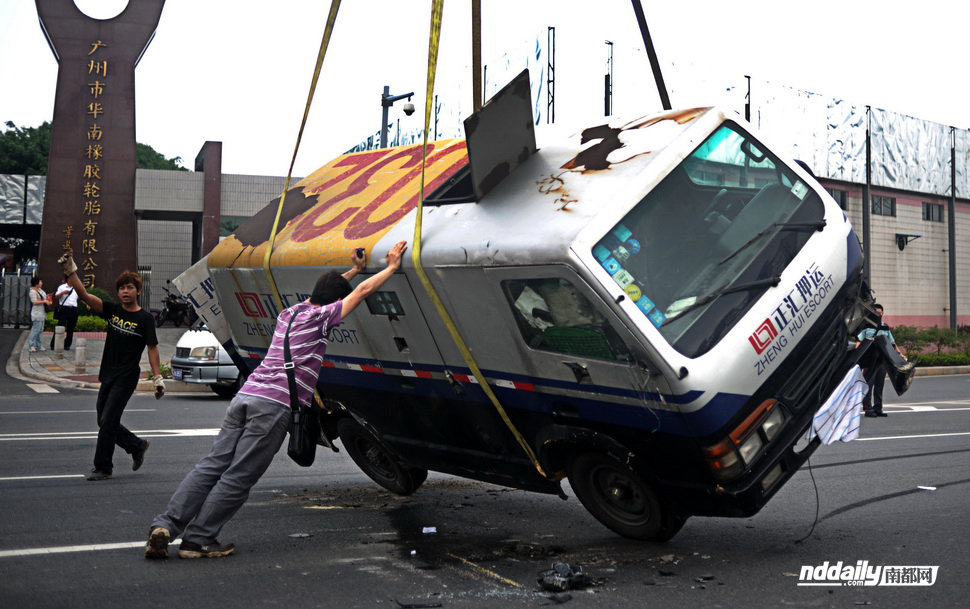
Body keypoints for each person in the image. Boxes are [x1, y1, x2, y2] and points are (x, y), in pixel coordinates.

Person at [144, 241, 407, 560]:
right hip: (273, 405)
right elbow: (360, 293)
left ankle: (166, 526)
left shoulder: (290, 314)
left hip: (246, 395)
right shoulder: (323, 318)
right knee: (239, 476)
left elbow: (333, 290)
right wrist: (391, 267)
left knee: (212, 465)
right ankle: (198, 540)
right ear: (334, 301)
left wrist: (351, 270)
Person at [57, 254, 165, 481]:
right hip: (108, 373)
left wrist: (157, 378)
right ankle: (136, 445)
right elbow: (84, 294)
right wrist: (71, 270)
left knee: (107, 422)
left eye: (130, 287)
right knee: (103, 420)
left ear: (138, 291)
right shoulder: (113, 311)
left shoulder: (145, 319)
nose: (125, 291)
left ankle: (103, 467)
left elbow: (152, 347)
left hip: (126, 378)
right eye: (122, 288)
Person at [856, 303, 907, 418]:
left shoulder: (885, 327)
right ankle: (868, 409)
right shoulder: (866, 326)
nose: (878, 315)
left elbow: (892, 343)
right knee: (868, 384)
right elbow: (859, 342)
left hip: (882, 360)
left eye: (879, 313)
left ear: (883, 313)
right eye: (875, 313)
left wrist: (900, 355)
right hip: (869, 360)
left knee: (880, 384)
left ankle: (878, 408)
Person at [50, 276, 79, 350]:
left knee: (71, 328)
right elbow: (56, 297)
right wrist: (62, 293)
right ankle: (54, 344)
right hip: (64, 309)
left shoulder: (76, 288)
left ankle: (67, 345)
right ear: (68, 279)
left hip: (73, 310)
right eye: (72, 279)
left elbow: (81, 297)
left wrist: (87, 303)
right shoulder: (62, 287)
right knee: (60, 327)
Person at [27, 277, 51, 352]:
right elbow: (34, 302)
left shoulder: (40, 290)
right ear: (36, 283)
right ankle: (31, 346)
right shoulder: (32, 291)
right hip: (37, 313)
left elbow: (43, 298)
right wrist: (44, 302)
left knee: (40, 330)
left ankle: (39, 345)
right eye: (40, 281)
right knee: (36, 330)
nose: (41, 283)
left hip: (42, 313)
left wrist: (47, 297)